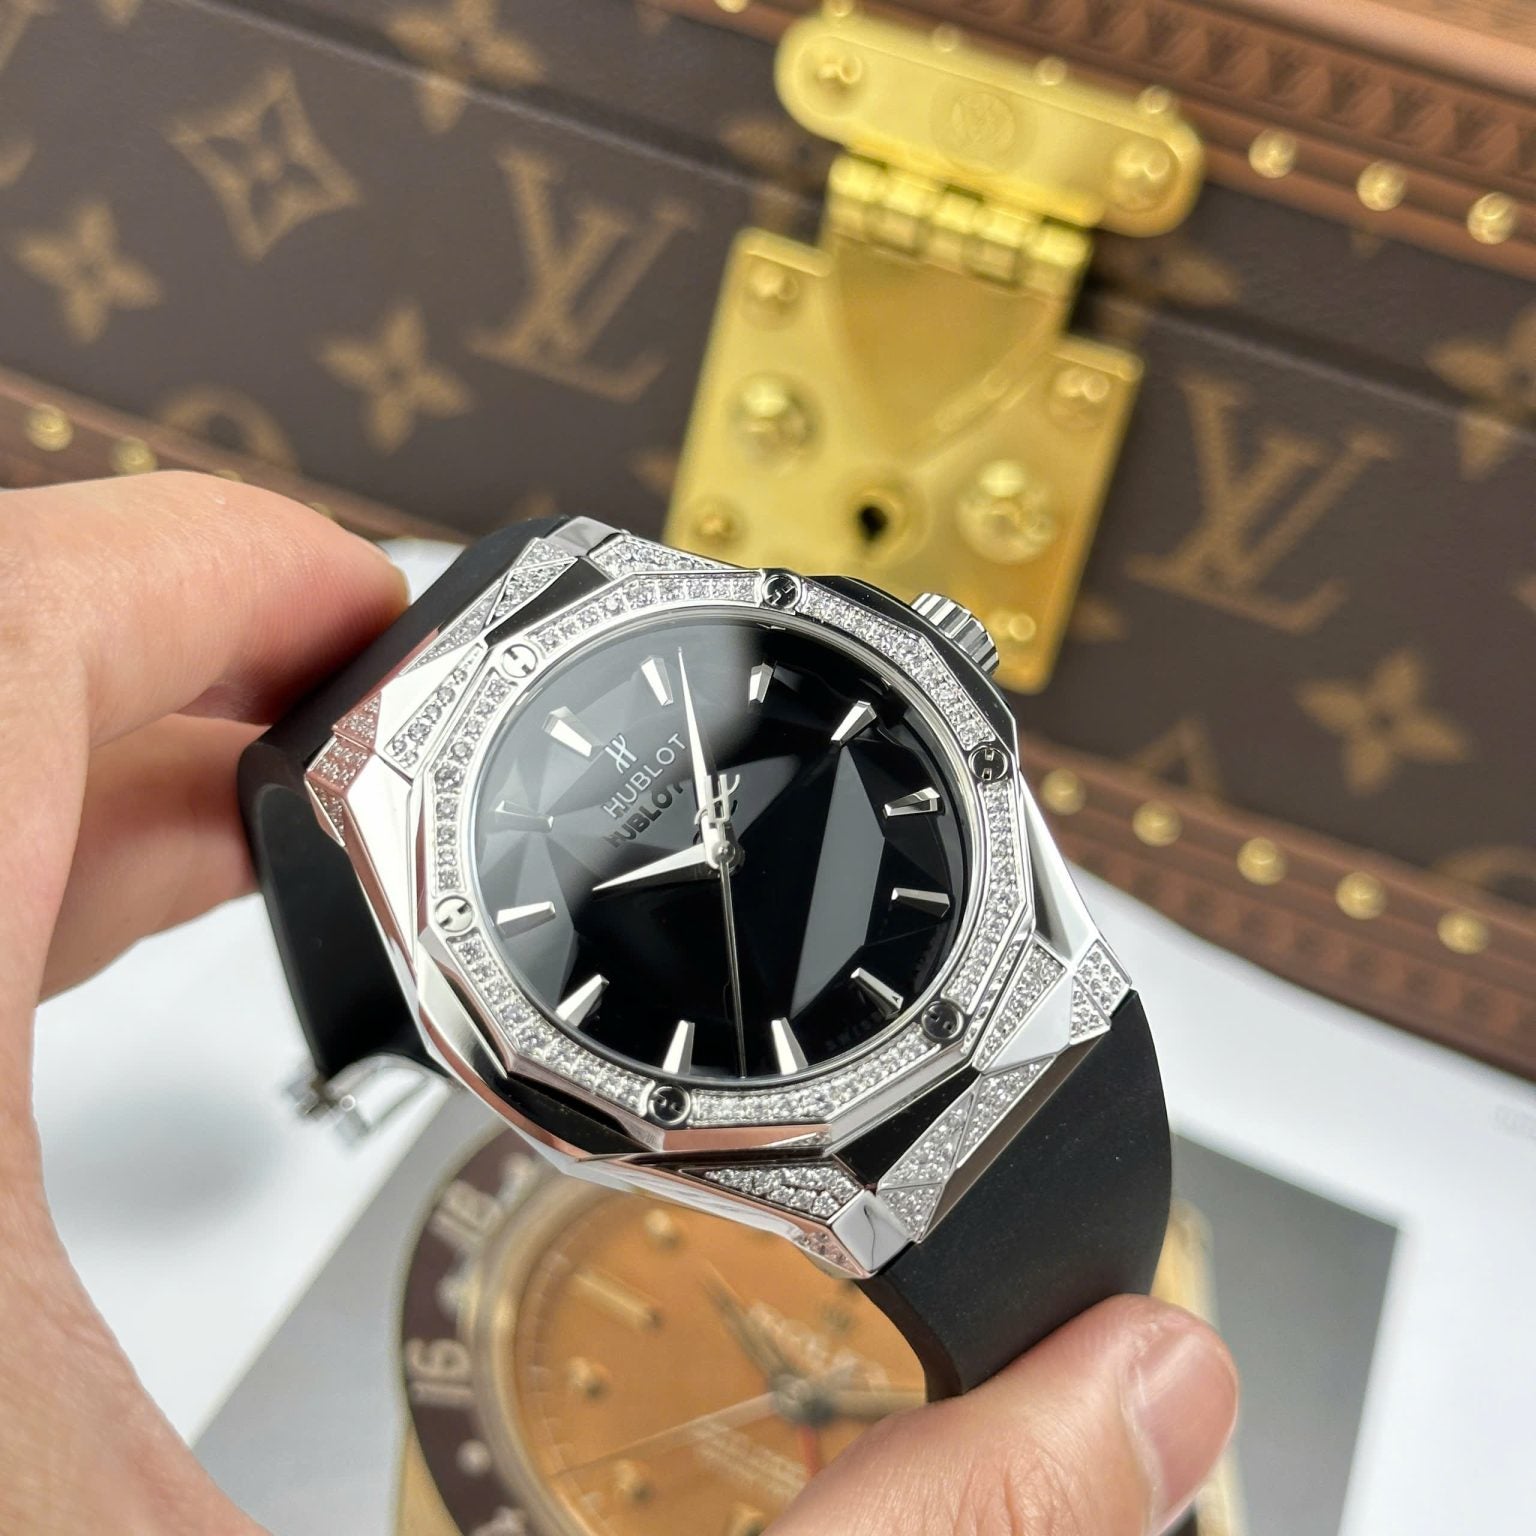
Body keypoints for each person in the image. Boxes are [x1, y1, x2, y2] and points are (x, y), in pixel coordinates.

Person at [0, 473, 1238, 1535]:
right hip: (836, 1159)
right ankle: (360, 1035)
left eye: (715, 835)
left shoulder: (617, 594)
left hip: (1036, 991)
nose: (716, 848)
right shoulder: (404, 838)